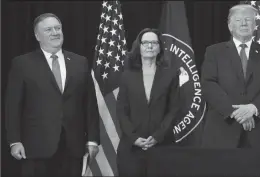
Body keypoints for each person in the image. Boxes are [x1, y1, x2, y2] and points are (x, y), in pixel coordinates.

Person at [5, 13, 100, 176]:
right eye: (48, 29)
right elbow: (13, 106)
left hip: (73, 147)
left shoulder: (80, 62)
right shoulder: (22, 64)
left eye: (58, 28)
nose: (55, 32)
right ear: (37, 36)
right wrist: (14, 141)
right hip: (35, 147)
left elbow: (90, 105)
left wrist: (93, 139)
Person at [201, 4, 260, 148]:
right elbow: (208, 84)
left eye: (248, 19)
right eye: (238, 20)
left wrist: (253, 108)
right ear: (230, 26)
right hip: (222, 132)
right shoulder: (213, 52)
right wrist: (235, 113)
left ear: (255, 25)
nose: (244, 23)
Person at [116, 28, 180, 177]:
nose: (150, 46)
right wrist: (134, 138)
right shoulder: (127, 76)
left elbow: (174, 109)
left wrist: (158, 136)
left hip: (163, 146)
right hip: (132, 148)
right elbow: (121, 110)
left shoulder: (170, 75)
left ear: (159, 48)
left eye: (154, 43)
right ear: (139, 46)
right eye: (145, 43)